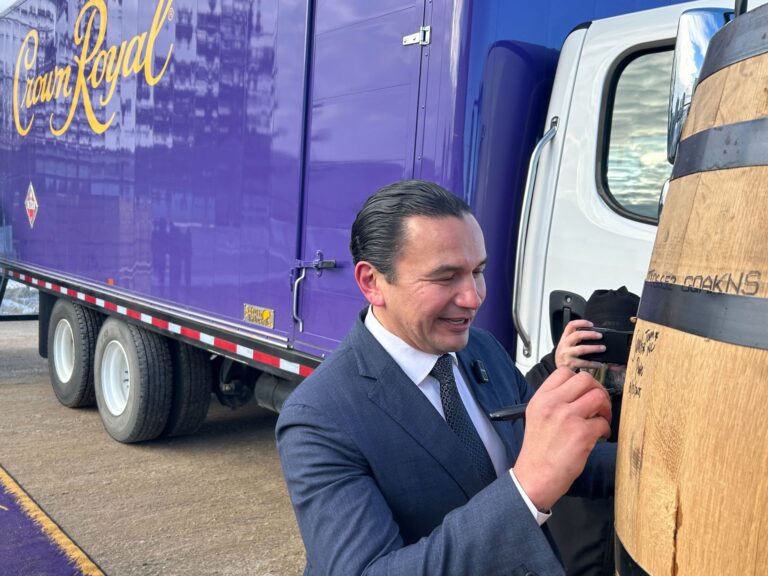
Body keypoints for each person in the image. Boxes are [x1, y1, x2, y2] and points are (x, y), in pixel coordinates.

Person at [277, 180, 615, 575]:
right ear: (372, 282)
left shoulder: (481, 349)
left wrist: (660, 465)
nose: (473, 297)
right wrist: (526, 490)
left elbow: (552, 456)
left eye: (478, 271)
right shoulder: (319, 417)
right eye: (444, 277)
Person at [526, 287, 640, 576]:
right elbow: (520, 413)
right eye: (599, 342)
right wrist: (555, 364)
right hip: (563, 559)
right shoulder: (556, 386)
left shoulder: (647, 393)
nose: (610, 360)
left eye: (621, 345)